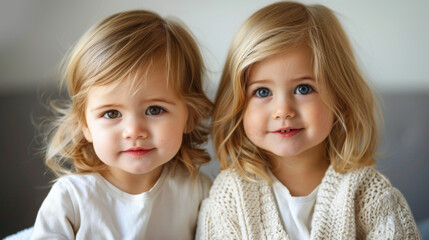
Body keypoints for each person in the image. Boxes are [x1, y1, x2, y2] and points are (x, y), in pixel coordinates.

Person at [197, 1, 421, 239]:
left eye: (303, 88)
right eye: (262, 92)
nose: (283, 111)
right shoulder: (231, 196)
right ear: (238, 104)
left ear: (340, 98)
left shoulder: (367, 191)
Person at [31, 9, 213, 239]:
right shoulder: (72, 198)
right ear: (85, 125)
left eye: (154, 110)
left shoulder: (197, 191)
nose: (134, 131)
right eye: (111, 113)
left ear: (191, 116)